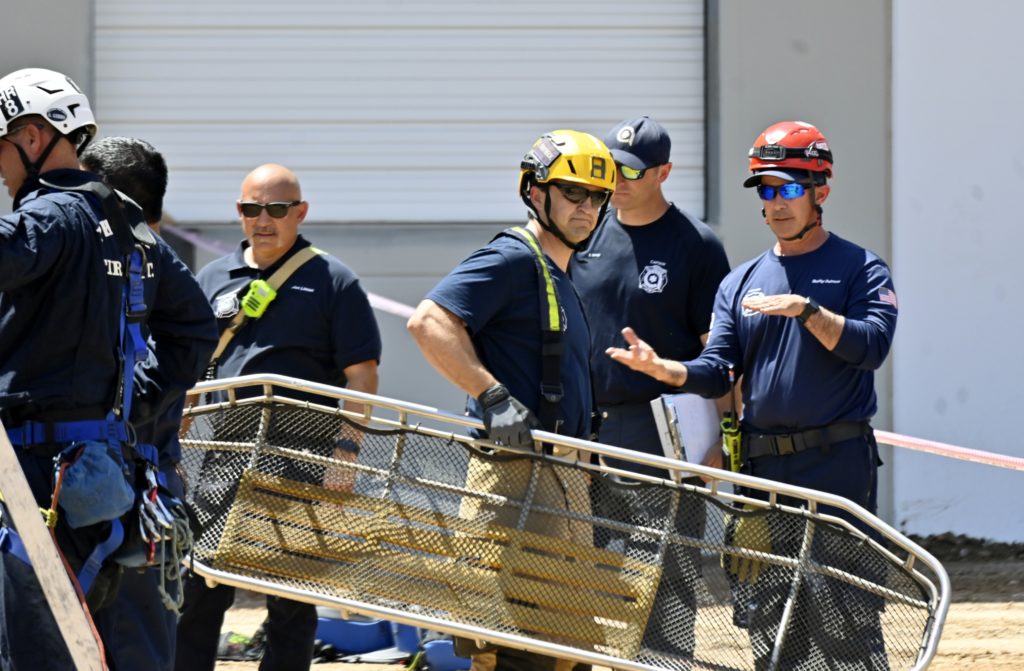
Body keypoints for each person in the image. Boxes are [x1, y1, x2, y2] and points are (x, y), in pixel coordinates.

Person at [607, 120, 898, 669]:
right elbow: (719, 370)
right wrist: (669, 370)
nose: (777, 203)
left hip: (836, 465)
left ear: (820, 191)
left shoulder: (860, 268)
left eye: (789, 188)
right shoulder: (740, 282)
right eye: (766, 190)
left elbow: (872, 347)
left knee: (845, 622)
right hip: (763, 476)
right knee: (772, 626)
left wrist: (808, 312)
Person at [0, 68, 218, 669]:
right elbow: (195, 326)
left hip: (40, 478)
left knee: (37, 649)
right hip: (108, 479)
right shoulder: (128, 227)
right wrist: (130, 403)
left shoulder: (51, 217)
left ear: (33, 137)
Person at [407, 129, 615, 671]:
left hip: (562, 481)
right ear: (535, 192)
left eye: (597, 197)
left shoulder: (559, 274)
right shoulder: (513, 259)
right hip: (516, 480)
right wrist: (491, 394)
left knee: (567, 654)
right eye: (573, 192)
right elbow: (429, 322)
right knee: (517, 651)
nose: (587, 207)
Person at [174, 163, 382, 671]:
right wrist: (171, 442)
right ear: (239, 212)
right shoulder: (212, 278)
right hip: (226, 451)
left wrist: (346, 455)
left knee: (290, 596)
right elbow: (190, 370)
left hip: (303, 454)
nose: (263, 220)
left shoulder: (333, 280)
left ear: (300, 212)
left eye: (276, 209)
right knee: (200, 584)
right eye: (252, 209)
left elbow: (362, 374)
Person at [572, 115, 730, 659]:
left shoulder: (696, 246)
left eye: (634, 171)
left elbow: (720, 354)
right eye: (611, 168)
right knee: (589, 581)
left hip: (664, 434)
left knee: (666, 584)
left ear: (665, 172)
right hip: (587, 434)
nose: (619, 180)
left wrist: (723, 440)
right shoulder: (585, 230)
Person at [82, 136, 200, 671]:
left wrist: (116, 415)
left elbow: (182, 349)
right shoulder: (109, 265)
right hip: (108, 496)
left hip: (134, 506)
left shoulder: (147, 270)